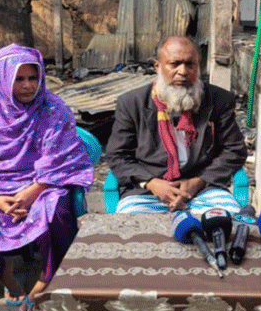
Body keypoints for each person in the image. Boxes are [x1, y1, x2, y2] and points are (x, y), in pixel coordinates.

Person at [0, 44, 93, 311]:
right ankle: (8, 278)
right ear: (1, 78)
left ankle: (45, 281)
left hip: (43, 183)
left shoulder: (52, 108)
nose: (27, 86)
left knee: (58, 214)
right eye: (18, 79)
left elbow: (60, 158)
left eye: (32, 78)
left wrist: (31, 193)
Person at [106, 36, 247, 214]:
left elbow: (234, 150)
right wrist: (152, 183)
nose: (183, 71)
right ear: (157, 66)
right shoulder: (132, 103)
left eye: (190, 64)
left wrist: (199, 181)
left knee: (225, 223)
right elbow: (117, 155)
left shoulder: (218, 100)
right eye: (175, 64)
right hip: (147, 191)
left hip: (203, 188)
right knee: (134, 231)